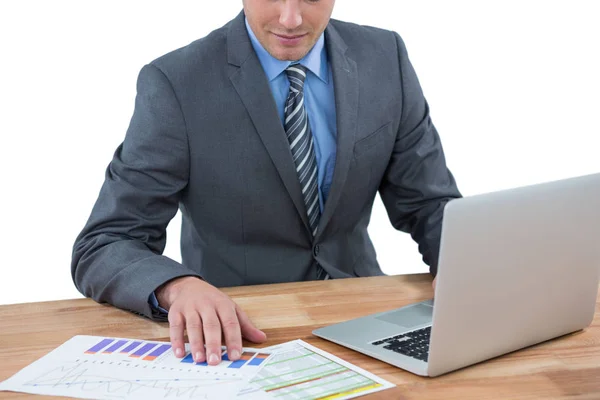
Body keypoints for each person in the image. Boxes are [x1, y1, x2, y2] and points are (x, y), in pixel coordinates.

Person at [72, 0, 461, 368]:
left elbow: (429, 203)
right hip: (239, 333)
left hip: (364, 318)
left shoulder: (384, 56)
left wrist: (459, 266)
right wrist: (178, 287)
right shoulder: (177, 83)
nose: (290, 19)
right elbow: (106, 242)